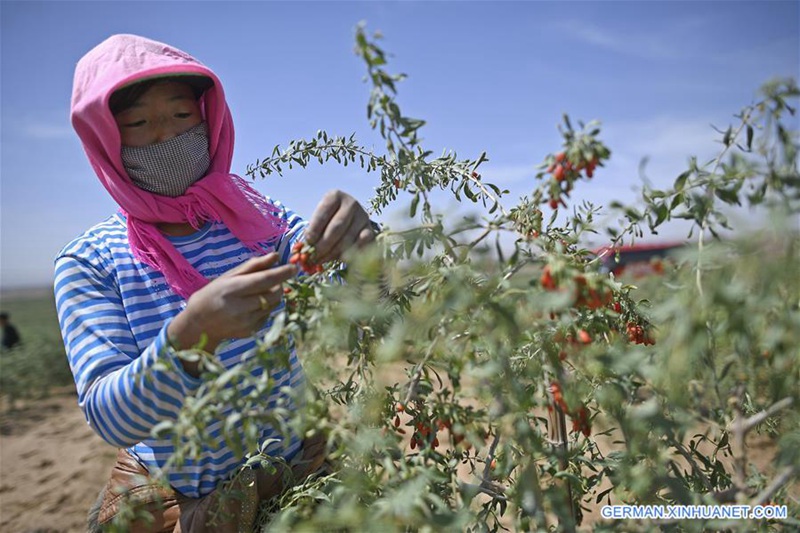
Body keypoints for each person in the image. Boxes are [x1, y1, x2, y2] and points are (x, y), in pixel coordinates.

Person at [55, 34, 376, 532]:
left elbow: (357, 311)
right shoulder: (92, 261)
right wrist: (191, 336)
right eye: (139, 123)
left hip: (293, 480)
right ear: (107, 141)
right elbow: (109, 417)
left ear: (209, 119)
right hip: (178, 505)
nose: (165, 137)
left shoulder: (265, 225)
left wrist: (361, 254)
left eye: (182, 117)